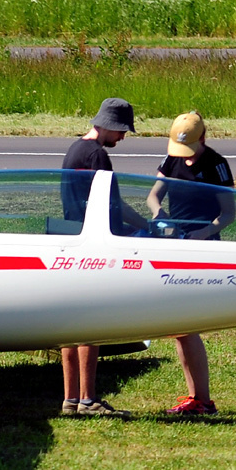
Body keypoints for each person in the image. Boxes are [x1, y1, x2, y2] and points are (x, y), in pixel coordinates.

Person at [148, 111, 235, 418]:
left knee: (184, 325)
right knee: (180, 327)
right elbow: (154, 197)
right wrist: (161, 217)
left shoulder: (216, 164)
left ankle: (202, 399)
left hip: (201, 248)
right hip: (175, 244)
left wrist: (204, 233)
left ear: (203, 138)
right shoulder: (171, 159)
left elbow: (228, 214)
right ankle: (198, 398)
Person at [59, 97, 137, 417]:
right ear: (108, 126)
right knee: (91, 322)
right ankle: (89, 399)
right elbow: (109, 205)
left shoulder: (74, 150)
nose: (122, 137)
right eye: (121, 131)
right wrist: (143, 225)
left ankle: (70, 399)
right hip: (94, 245)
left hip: (71, 240)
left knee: (70, 325)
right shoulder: (97, 156)